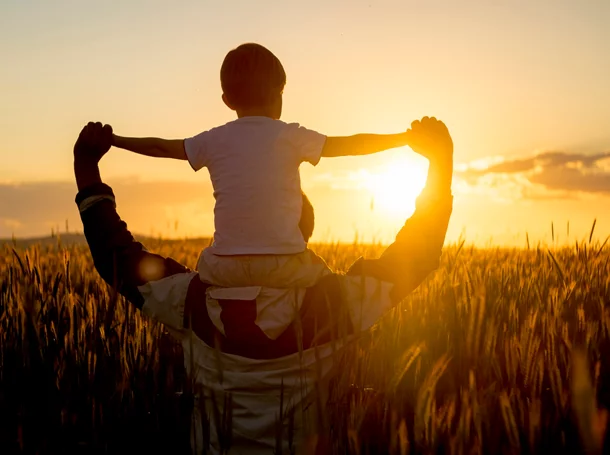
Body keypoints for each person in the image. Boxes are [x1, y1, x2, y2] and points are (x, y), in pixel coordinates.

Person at [73, 116, 454, 454]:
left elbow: (117, 259)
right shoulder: (335, 305)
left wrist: (87, 168)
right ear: (303, 233)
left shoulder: (189, 302)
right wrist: (440, 165)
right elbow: (415, 256)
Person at [110, 43, 423, 290]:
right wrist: (404, 138)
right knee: (332, 290)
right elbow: (351, 144)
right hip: (284, 264)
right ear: (279, 93)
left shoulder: (213, 140)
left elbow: (159, 146)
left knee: (199, 278)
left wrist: (115, 139)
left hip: (223, 267)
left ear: (227, 100)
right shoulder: (290, 135)